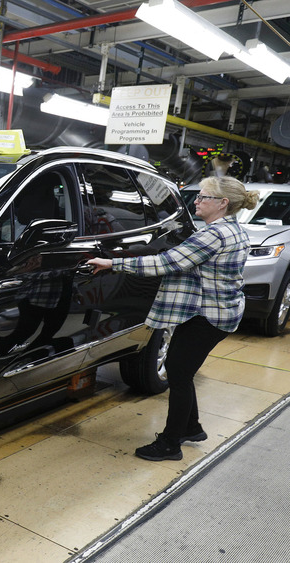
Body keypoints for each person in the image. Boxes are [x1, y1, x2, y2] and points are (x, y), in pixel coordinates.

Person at [86, 176, 259, 462]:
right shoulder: (232, 230)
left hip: (208, 315)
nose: (197, 202)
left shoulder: (213, 234)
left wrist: (113, 263)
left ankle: (170, 443)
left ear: (222, 203)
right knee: (182, 371)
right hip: (216, 311)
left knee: (178, 375)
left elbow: (168, 262)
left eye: (203, 197)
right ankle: (190, 427)